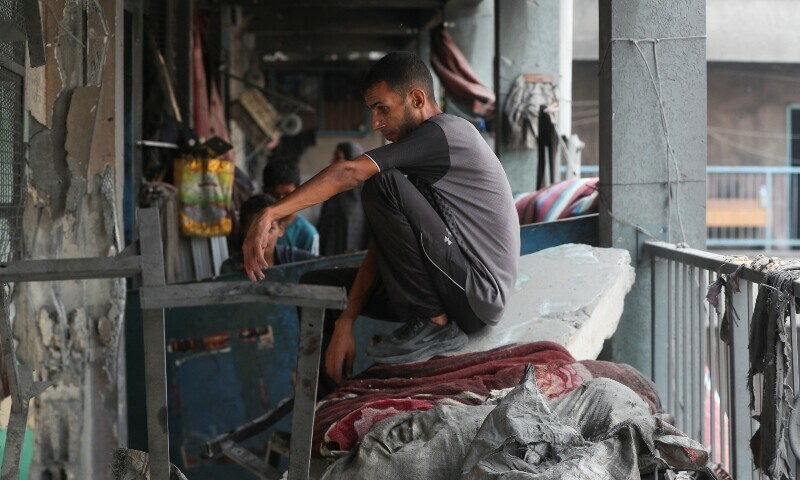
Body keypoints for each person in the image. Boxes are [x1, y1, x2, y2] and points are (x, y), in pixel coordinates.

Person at [242, 52, 519, 385]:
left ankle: (436, 325)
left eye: (382, 108)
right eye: (372, 110)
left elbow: (349, 172)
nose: (375, 122)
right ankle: (324, 403)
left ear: (416, 99)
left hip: (475, 294)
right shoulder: (418, 164)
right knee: (317, 286)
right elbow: (385, 248)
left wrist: (270, 212)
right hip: (446, 285)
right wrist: (346, 320)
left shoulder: (444, 134)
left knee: (379, 181)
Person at [220, 194, 316, 274]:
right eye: (255, 230)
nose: (263, 239)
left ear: (281, 229)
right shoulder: (231, 269)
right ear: (242, 230)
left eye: (270, 230)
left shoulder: (299, 260)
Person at [316, 141, 370, 256]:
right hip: (328, 258)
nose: (332, 161)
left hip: (356, 259)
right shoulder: (332, 191)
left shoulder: (367, 192)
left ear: (351, 161)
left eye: (337, 157)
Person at [261, 160, 320, 255]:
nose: (281, 201)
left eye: (287, 195)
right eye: (274, 195)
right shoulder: (254, 225)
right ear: (264, 192)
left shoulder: (307, 234)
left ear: (298, 192)